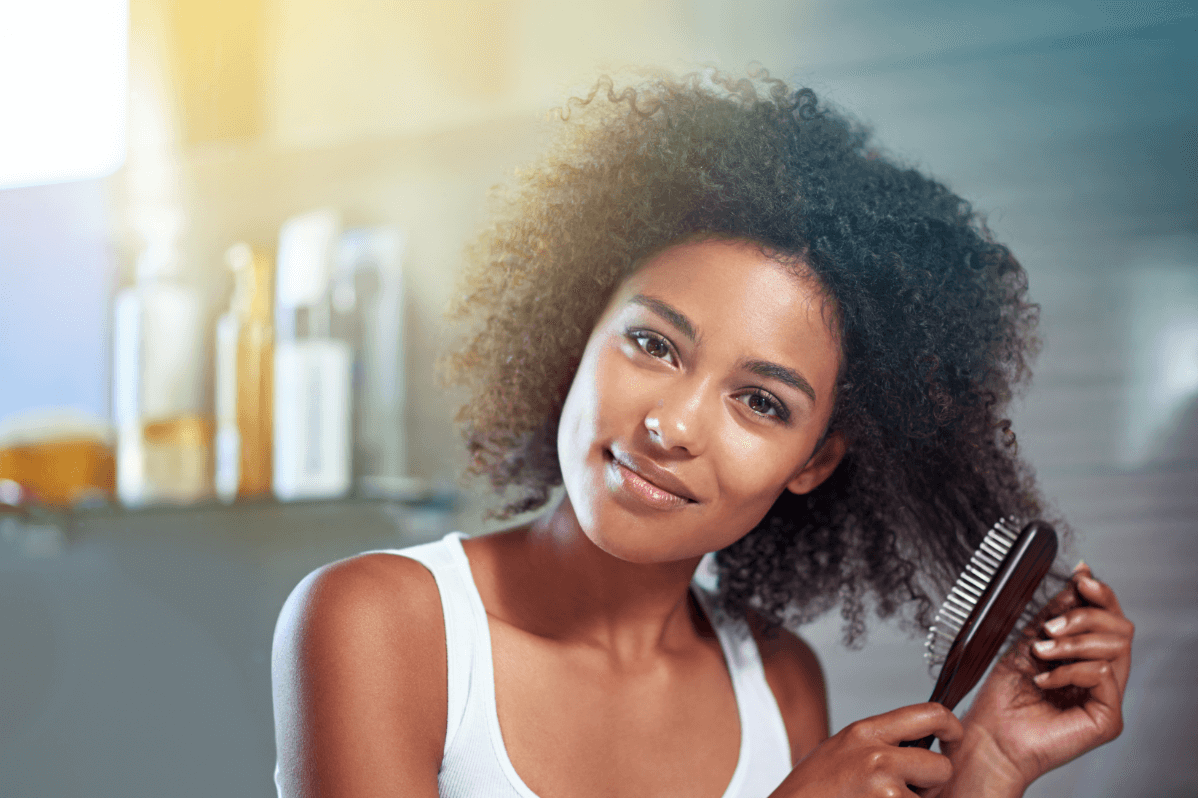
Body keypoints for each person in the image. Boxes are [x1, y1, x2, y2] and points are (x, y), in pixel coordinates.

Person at [271, 71, 1133, 798]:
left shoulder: (776, 682)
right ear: (580, 330)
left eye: (761, 403)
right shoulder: (381, 623)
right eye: (652, 344)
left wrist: (985, 769)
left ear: (815, 461)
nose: (671, 424)